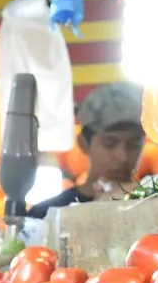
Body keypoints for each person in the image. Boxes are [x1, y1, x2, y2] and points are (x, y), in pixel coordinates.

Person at [26, 82, 148, 220]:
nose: (123, 156)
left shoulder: (154, 206)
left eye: (134, 144)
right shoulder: (44, 215)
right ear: (83, 143)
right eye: (110, 143)